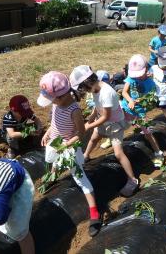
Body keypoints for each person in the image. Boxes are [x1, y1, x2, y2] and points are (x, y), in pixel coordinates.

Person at [38, 71, 101, 237]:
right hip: (57, 144)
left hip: (69, 149)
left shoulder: (75, 110)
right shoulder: (56, 104)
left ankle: (94, 213)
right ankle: (52, 177)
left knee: (81, 180)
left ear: (60, 96)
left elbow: (81, 134)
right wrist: (48, 132)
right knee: (52, 161)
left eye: (52, 99)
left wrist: (66, 144)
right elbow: (55, 122)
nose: (51, 102)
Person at [70, 65, 139, 196]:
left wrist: (89, 126)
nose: (84, 91)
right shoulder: (96, 89)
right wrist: (91, 116)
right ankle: (86, 156)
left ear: (87, 83)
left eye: (83, 88)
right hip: (103, 120)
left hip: (114, 124)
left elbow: (106, 116)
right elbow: (98, 105)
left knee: (118, 153)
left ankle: (132, 180)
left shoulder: (106, 93)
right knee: (94, 138)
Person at [121, 54, 164, 165]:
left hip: (139, 113)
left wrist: (143, 102)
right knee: (118, 125)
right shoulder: (131, 78)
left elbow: (151, 100)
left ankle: (158, 153)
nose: (137, 77)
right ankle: (111, 139)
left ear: (146, 70)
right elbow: (124, 92)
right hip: (126, 109)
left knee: (148, 133)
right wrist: (130, 100)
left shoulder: (150, 83)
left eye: (139, 74)